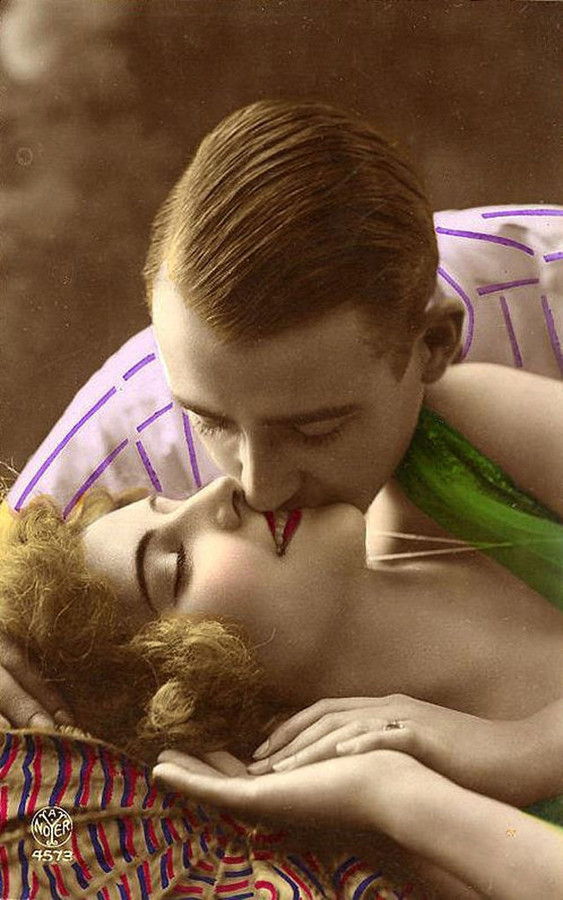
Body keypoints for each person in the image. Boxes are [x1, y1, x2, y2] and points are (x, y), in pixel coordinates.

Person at [2, 98, 563, 813]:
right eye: (211, 423)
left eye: (317, 429)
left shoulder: (493, 379)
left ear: (433, 347)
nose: (255, 486)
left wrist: (526, 751)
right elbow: (37, 588)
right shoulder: (137, 436)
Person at [1, 479, 563, 898]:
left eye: (172, 500)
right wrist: (389, 793)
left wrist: (528, 749)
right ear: (191, 700)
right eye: (175, 566)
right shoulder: (426, 842)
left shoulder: (439, 478)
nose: (222, 488)